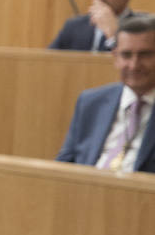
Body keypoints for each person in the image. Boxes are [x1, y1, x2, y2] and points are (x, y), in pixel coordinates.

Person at [56, 15, 155, 173]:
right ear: (115, 57)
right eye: (126, 55)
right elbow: (64, 166)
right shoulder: (90, 102)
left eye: (145, 55)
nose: (134, 65)